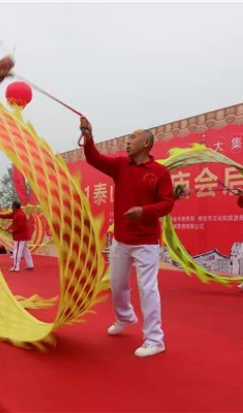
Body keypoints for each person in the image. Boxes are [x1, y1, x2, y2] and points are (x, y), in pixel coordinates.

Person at [80, 117, 175, 357]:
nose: (128, 141)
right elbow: (94, 159)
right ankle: (125, 317)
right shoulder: (121, 166)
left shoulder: (159, 172)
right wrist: (89, 137)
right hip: (122, 239)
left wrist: (143, 211)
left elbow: (167, 204)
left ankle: (155, 339)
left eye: (133, 138)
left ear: (146, 143)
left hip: (146, 242)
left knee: (148, 288)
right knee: (117, 284)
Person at [0, 201, 34, 272]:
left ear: (15, 206)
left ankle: (16, 267)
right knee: (25, 250)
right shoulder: (17, 213)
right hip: (22, 235)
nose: (11, 207)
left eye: (12, 206)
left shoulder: (20, 214)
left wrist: (12, 230)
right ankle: (30, 265)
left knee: (17, 251)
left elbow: (21, 226)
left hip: (19, 236)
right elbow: (7, 216)